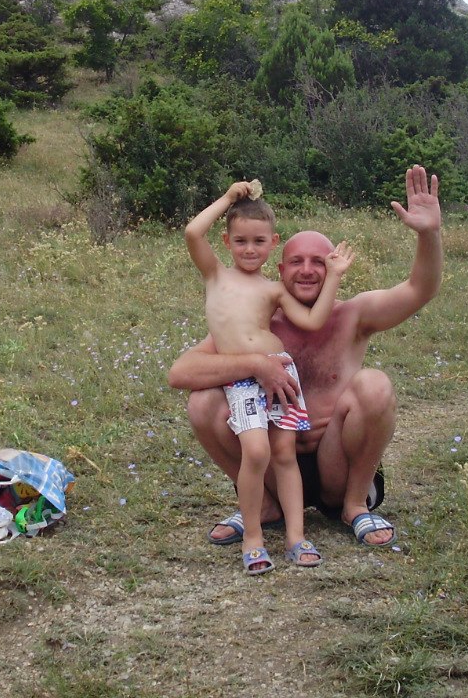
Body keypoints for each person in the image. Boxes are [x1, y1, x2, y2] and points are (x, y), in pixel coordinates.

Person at [169, 165, 443, 550]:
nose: (308, 270)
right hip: (274, 462)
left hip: (336, 465)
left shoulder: (353, 315)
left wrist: (429, 233)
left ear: (333, 266)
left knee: (375, 385)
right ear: (280, 269)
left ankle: (354, 505)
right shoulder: (259, 325)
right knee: (202, 403)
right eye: (297, 261)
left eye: (319, 261)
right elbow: (181, 372)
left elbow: (420, 289)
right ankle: (264, 506)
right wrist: (256, 364)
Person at [185, 180, 354, 574]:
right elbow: (193, 232)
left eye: (259, 241)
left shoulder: (274, 289)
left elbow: (312, 320)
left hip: (281, 373)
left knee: (283, 455)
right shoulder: (215, 275)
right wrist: (228, 198)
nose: (249, 249)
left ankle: (296, 536)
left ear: (273, 243)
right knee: (257, 452)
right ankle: (253, 537)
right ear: (226, 241)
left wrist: (333, 276)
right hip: (245, 380)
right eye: (240, 241)